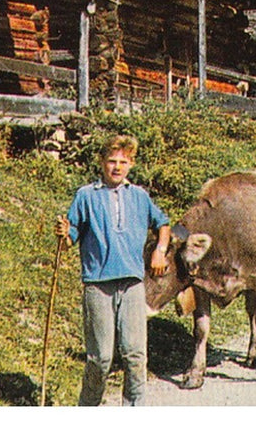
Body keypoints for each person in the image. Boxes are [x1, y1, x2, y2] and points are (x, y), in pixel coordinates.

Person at [55, 134, 170, 406]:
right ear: (101, 162)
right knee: (101, 358)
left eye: (123, 162)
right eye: (111, 161)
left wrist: (160, 250)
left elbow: (163, 224)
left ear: (131, 164)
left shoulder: (139, 196)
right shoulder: (86, 196)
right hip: (98, 284)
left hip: (133, 284)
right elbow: (69, 238)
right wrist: (63, 234)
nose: (117, 167)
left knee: (135, 355)